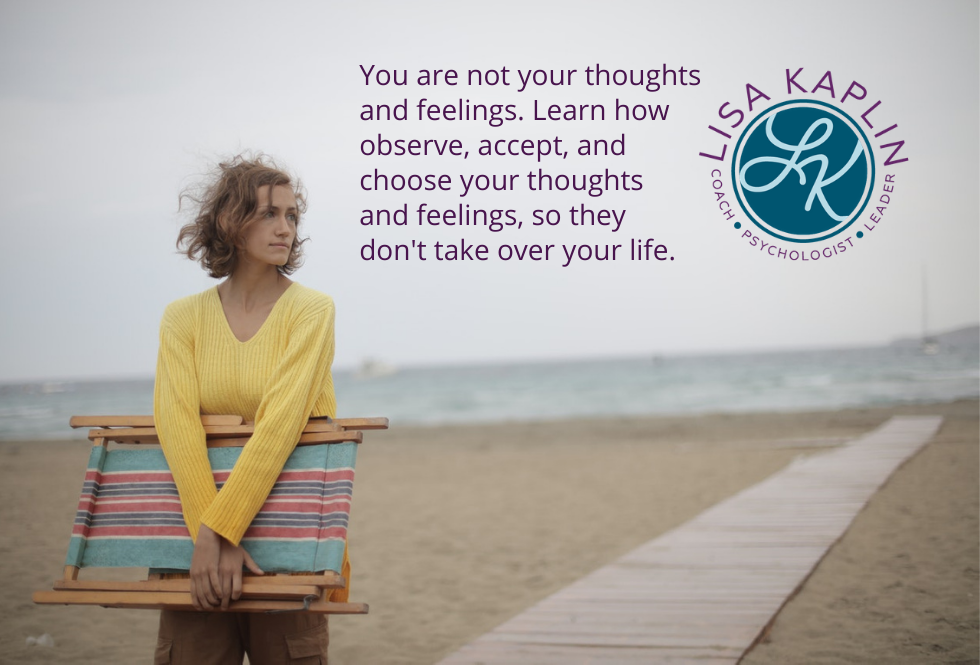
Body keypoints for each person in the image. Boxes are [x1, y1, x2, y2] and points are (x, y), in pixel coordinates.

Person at [153, 154, 345, 664]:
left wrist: (223, 529)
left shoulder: (312, 310)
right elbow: (176, 427)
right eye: (268, 214)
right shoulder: (182, 318)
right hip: (195, 552)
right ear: (229, 222)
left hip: (287, 544)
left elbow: (282, 426)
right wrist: (209, 540)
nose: (285, 228)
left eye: (292, 216)